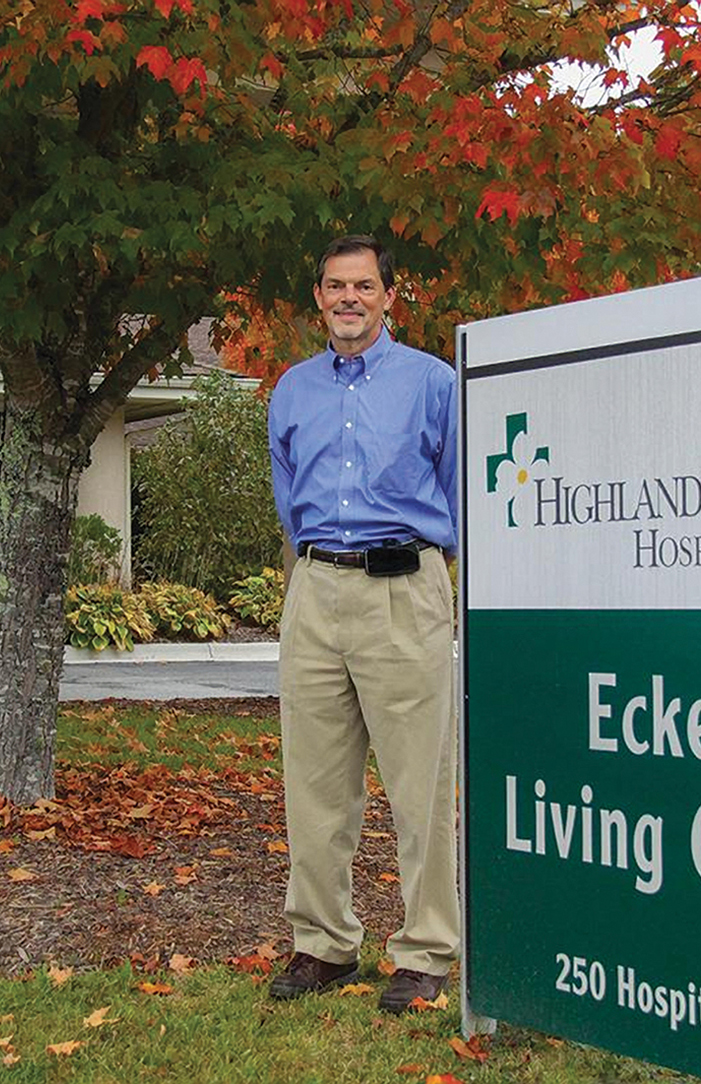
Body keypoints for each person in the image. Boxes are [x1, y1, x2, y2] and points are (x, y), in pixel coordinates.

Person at [265, 235, 459, 1013]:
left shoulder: (432, 383)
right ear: (319, 298)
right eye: (336, 286)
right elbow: (289, 497)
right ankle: (323, 944)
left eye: (364, 286)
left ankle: (426, 950)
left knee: (421, 785)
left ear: (387, 297)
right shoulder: (291, 390)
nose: (350, 298)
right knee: (313, 785)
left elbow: (457, 491)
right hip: (314, 588)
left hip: (404, 588)